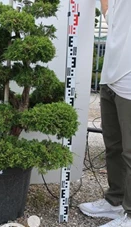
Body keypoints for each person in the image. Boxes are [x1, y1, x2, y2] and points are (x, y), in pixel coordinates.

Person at [79, 0, 131, 226]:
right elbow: (109, 13)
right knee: (113, 146)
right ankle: (115, 201)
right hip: (110, 76)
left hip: (129, 80)